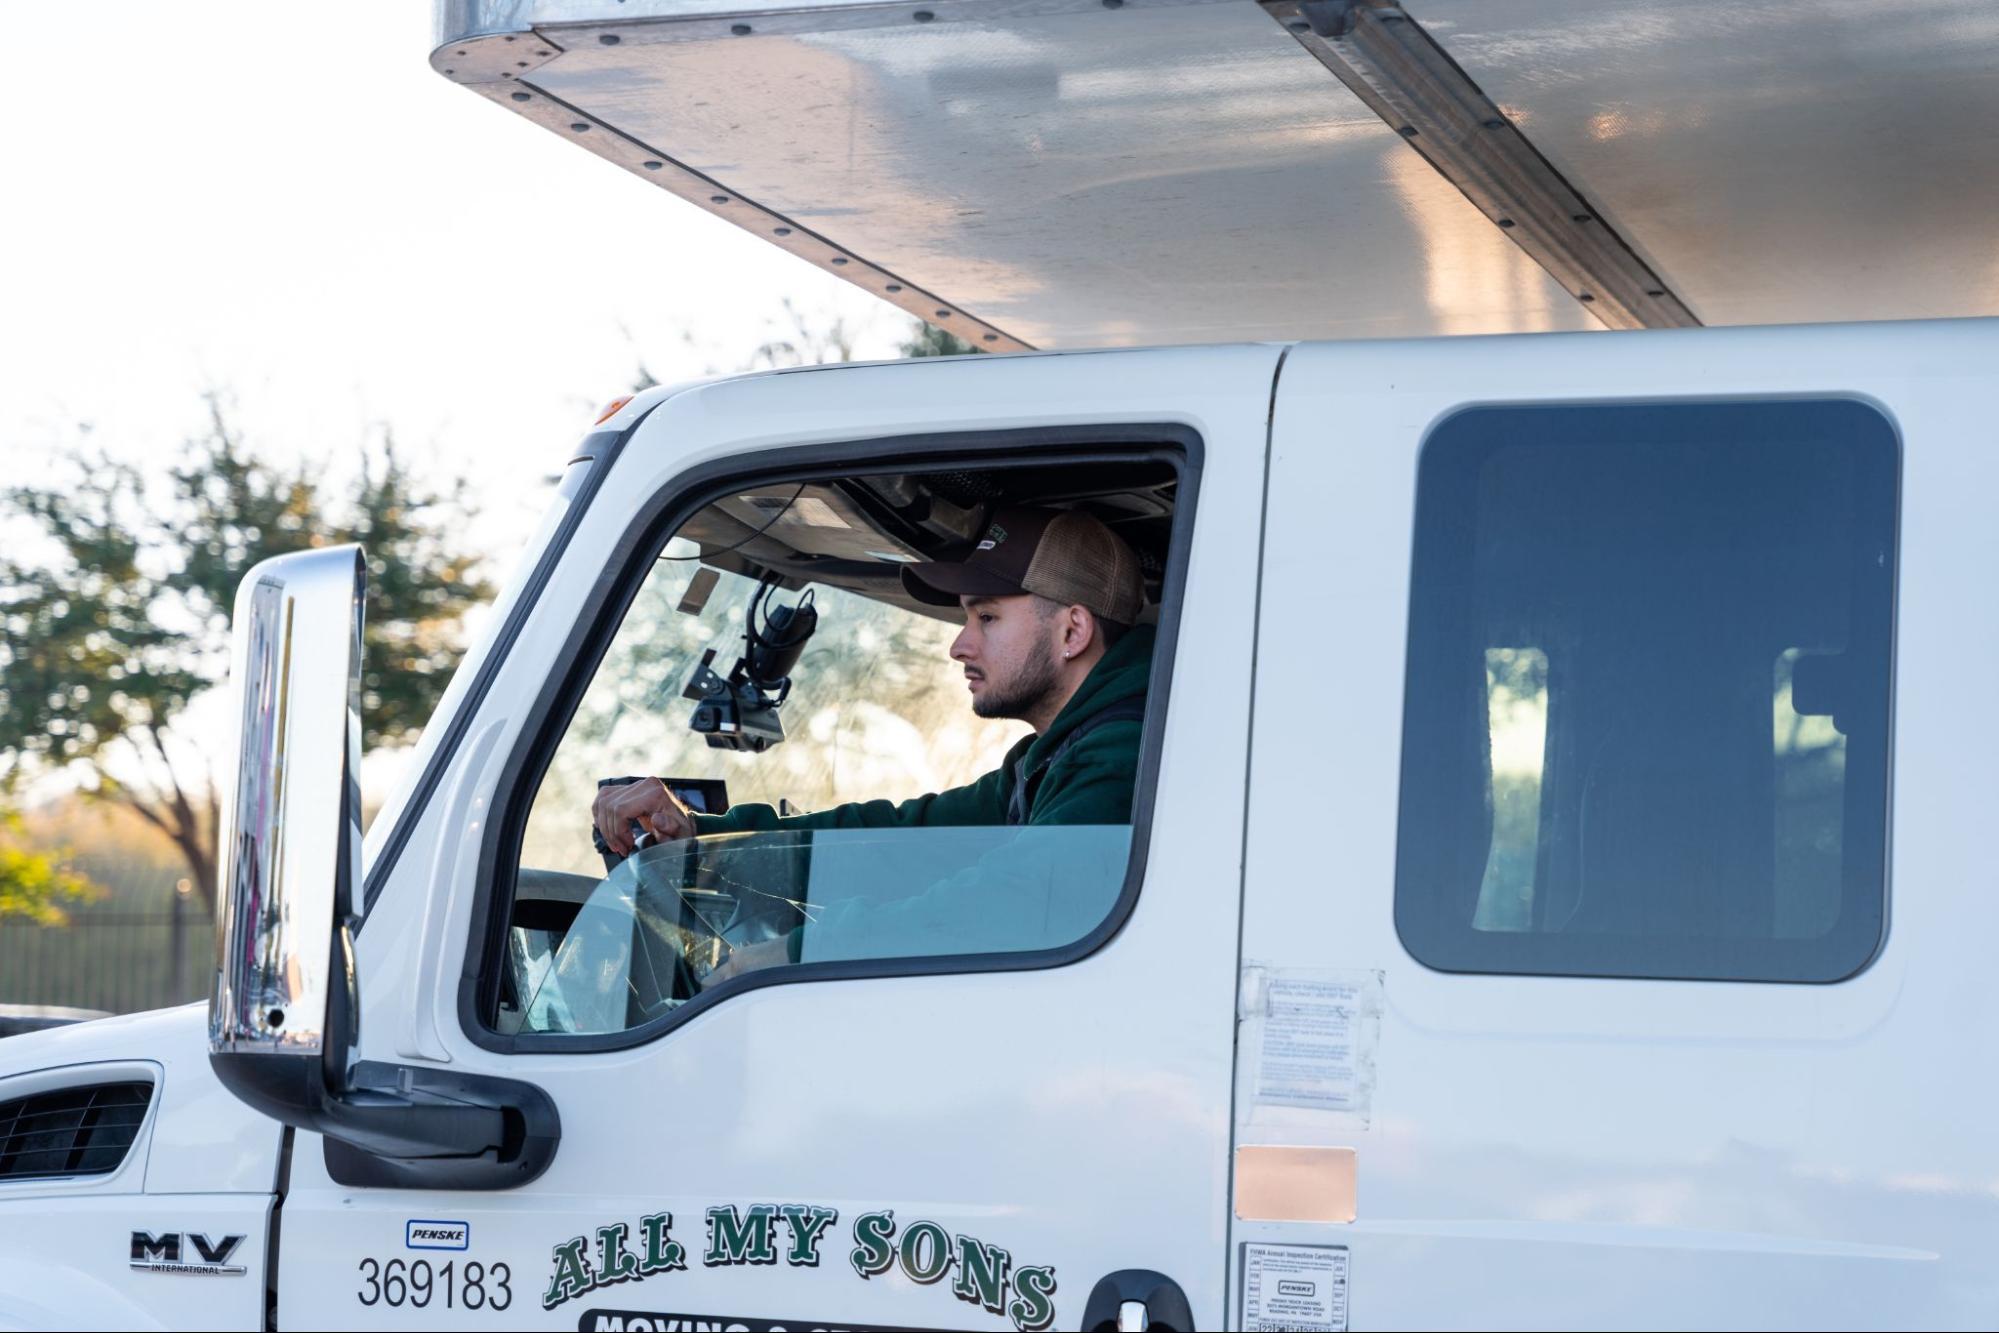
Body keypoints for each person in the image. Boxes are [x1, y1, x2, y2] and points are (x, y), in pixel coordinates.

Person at [590, 504, 1155, 980]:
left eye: (987, 618)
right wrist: (702, 839)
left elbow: (1012, 903)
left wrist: (790, 957)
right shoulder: (1050, 759)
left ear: (1073, 631)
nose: (960, 646)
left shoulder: (1126, 755)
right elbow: (902, 841)